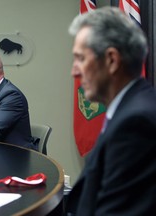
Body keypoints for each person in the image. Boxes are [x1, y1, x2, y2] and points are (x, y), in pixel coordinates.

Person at [66, 7, 156, 215]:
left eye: (81, 58)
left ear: (111, 60)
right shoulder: (130, 108)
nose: (74, 71)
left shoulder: (135, 124)